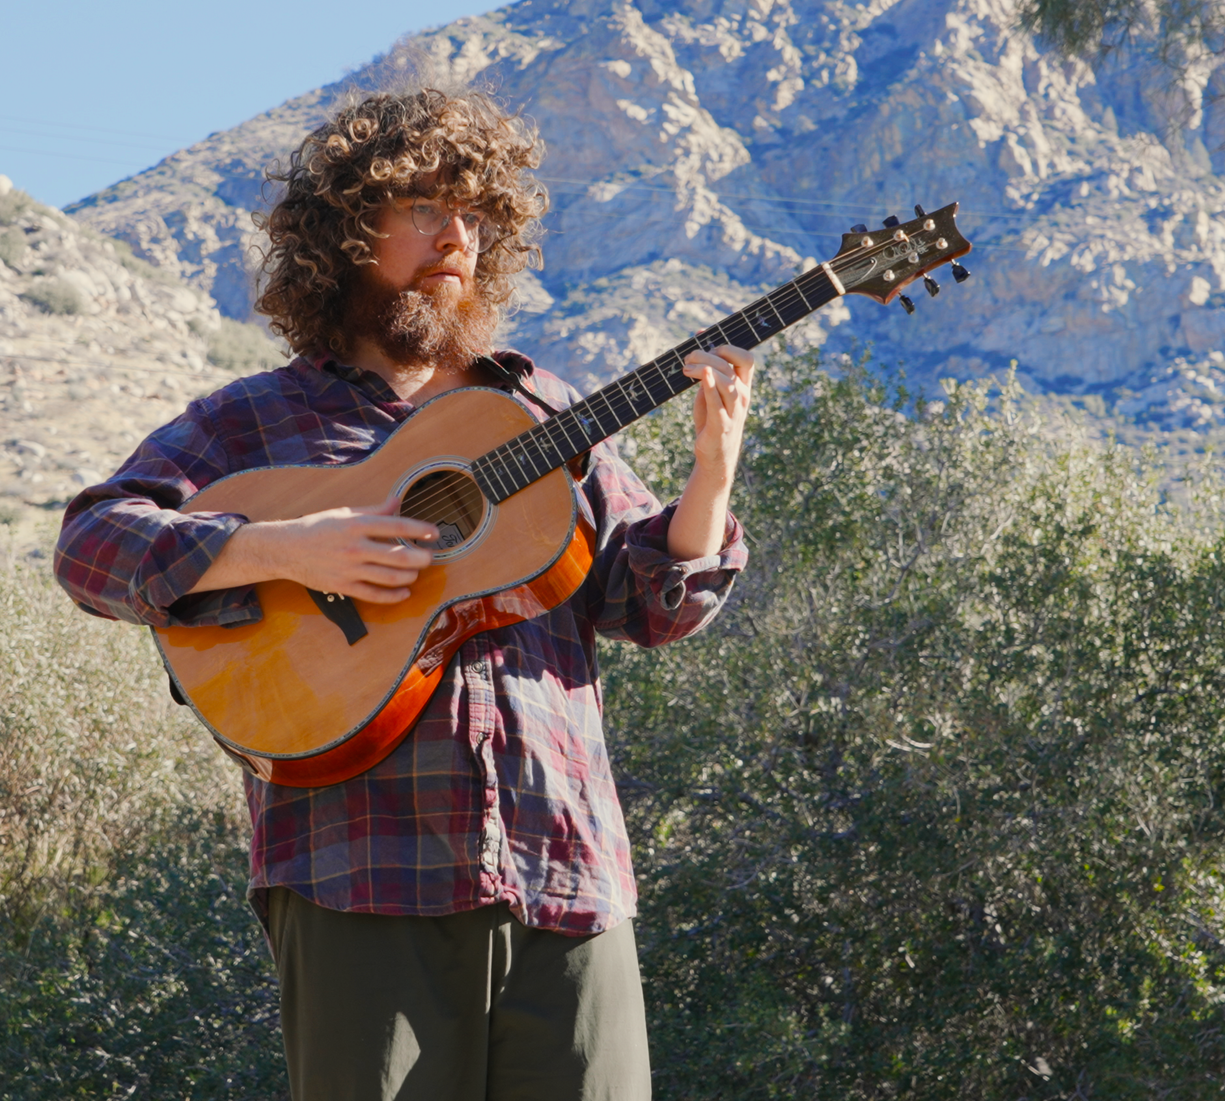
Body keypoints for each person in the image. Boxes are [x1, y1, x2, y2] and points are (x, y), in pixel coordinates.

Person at [54, 87, 755, 1101]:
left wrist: (710, 475)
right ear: (343, 232)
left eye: (474, 214)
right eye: (423, 207)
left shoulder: (541, 410)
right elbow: (91, 543)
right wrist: (291, 548)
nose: (455, 236)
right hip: (357, 872)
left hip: (562, 868)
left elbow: (649, 602)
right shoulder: (255, 422)